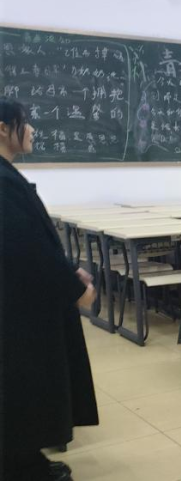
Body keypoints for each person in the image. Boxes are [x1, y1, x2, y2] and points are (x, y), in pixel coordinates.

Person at [1, 97, 97, 481]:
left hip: (21, 301)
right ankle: (22, 466)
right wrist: (72, 287)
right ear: (3, 129)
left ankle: (23, 459)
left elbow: (33, 243)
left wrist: (68, 271)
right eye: (25, 122)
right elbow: (25, 249)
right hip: (20, 309)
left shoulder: (6, 176)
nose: (32, 130)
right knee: (26, 381)